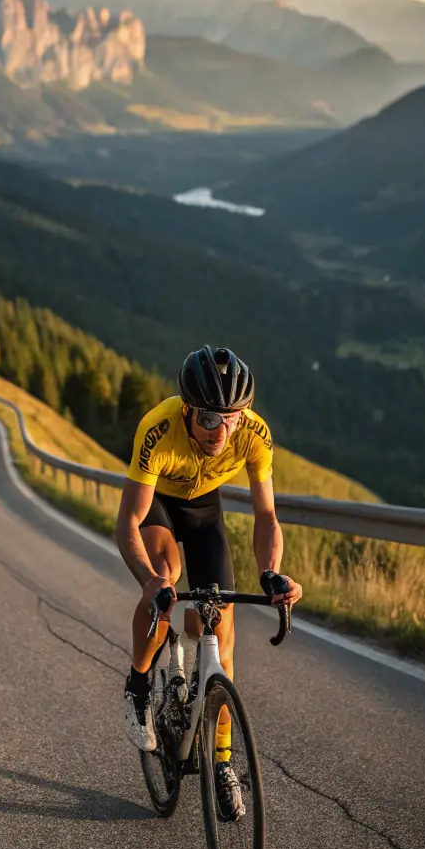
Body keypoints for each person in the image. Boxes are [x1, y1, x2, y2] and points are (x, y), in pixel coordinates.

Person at [116, 345, 303, 821]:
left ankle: (221, 759)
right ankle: (139, 686)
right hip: (158, 504)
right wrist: (149, 583)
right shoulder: (158, 429)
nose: (221, 431)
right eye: (208, 418)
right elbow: (128, 523)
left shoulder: (254, 434)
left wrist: (271, 572)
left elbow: (266, 517)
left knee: (221, 628)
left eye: (232, 418)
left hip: (204, 513)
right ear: (186, 410)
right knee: (167, 576)